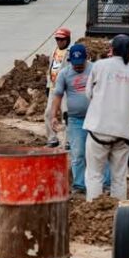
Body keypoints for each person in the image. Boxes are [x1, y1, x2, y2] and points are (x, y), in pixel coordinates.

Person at [83, 34, 129, 201]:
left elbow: (88, 94)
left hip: (98, 129)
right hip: (124, 133)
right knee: (119, 178)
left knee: (94, 174)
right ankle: (118, 212)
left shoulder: (100, 66)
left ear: (111, 49)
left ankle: (93, 208)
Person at [51, 43, 110, 194]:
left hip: (97, 118)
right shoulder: (64, 74)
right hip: (76, 120)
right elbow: (57, 95)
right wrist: (53, 116)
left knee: (102, 151)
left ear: (86, 58)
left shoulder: (95, 69)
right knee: (78, 153)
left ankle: (106, 183)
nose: (78, 67)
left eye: (81, 64)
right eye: (75, 64)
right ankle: (79, 185)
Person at [45, 27, 71, 148]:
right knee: (49, 113)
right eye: (58, 39)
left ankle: (68, 140)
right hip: (53, 88)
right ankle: (52, 138)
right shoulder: (54, 52)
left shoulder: (70, 53)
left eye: (62, 39)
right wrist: (48, 85)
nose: (59, 42)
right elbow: (51, 70)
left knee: (66, 114)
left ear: (67, 40)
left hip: (65, 90)